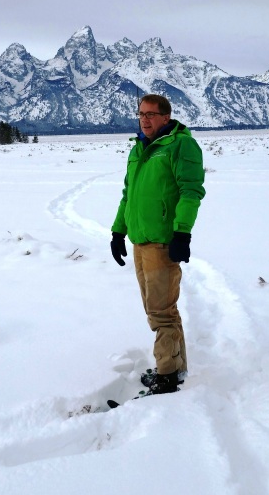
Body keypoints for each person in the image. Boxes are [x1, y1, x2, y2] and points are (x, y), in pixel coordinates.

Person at [110, 94, 205, 396]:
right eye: (141, 114)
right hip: (140, 240)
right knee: (160, 310)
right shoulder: (139, 148)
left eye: (152, 114)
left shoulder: (180, 145)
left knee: (161, 312)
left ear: (166, 117)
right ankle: (176, 368)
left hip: (162, 243)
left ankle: (167, 376)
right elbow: (129, 195)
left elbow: (191, 192)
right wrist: (118, 232)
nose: (145, 119)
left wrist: (182, 234)